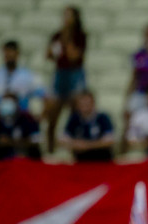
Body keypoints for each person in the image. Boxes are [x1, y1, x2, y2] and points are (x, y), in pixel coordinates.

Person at [45, 5, 87, 153]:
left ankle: (74, 150)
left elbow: (73, 56)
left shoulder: (80, 36)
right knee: (52, 113)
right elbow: (49, 55)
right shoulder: (57, 35)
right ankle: (50, 149)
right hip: (60, 74)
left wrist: (67, 37)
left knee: (76, 112)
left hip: (74, 74)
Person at [61, 90, 115, 162]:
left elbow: (109, 140)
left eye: (87, 103)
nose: (84, 107)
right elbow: (63, 139)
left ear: (93, 103)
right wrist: (75, 143)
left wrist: (87, 145)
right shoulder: (74, 118)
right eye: (81, 104)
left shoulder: (102, 118)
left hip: (101, 159)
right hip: (81, 159)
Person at [0, 41, 46, 116]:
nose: (9, 56)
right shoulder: (0, 74)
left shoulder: (28, 76)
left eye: (11, 53)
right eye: (7, 53)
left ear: (17, 54)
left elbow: (44, 95)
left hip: (21, 116)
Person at [0, 94, 41, 160]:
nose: (6, 106)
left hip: (24, 158)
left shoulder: (26, 119)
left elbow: (36, 139)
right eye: (5, 103)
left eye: (10, 103)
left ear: (17, 104)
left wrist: (12, 141)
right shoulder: (0, 122)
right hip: (3, 160)